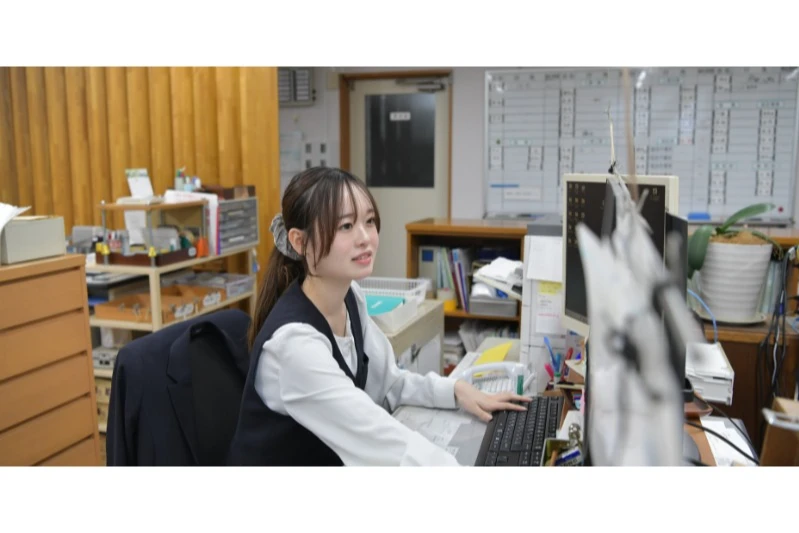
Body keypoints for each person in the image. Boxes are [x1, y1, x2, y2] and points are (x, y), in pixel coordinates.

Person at [227, 167, 528, 466]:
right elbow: (376, 438)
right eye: (346, 226)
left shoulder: (351, 297)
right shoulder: (294, 346)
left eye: (369, 221)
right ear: (299, 241)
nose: (365, 238)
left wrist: (456, 390)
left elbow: (389, 384)